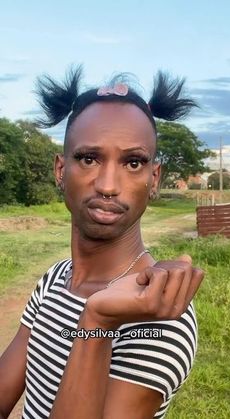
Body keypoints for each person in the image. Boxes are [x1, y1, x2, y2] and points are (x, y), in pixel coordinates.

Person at [0, 67, 204, 419]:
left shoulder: (160, 315)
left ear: (154, 179)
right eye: (89, 158)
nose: (108, 185)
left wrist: (97, 319)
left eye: (133, 162)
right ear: (61, 170)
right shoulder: (54, 279)